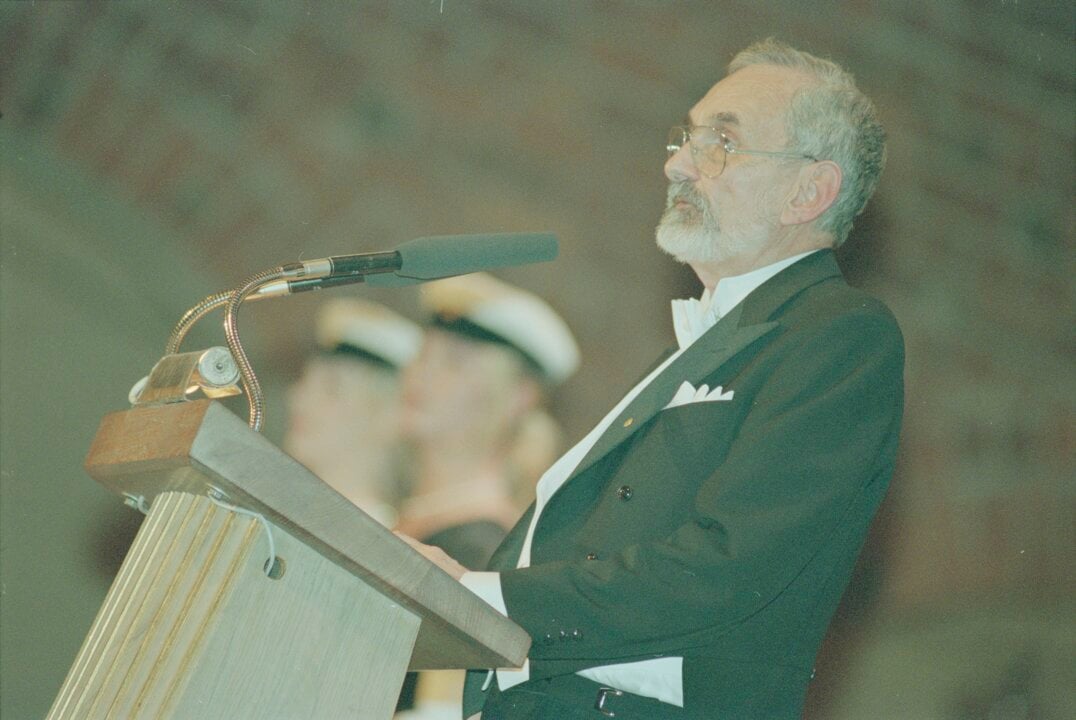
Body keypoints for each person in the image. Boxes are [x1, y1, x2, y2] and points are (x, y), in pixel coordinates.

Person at [400, 38, 904, 719]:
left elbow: (728, 568)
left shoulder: (838, 335)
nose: (676, 164)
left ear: (808, 192)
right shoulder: (701, 344)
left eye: (720, 143)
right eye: (686, 138)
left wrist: (482, 597)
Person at [393, 272, 579, 719]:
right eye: (424, 354)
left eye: (454, 362)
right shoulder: (415, 521)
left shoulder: (484, 551)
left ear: (517, 397)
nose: (423, 374)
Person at [283, 297, 421, 527]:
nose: (299, 399)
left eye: (332, 388)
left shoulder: (382, 541)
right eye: (304, 382)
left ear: (389, 415)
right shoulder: (296, 515)